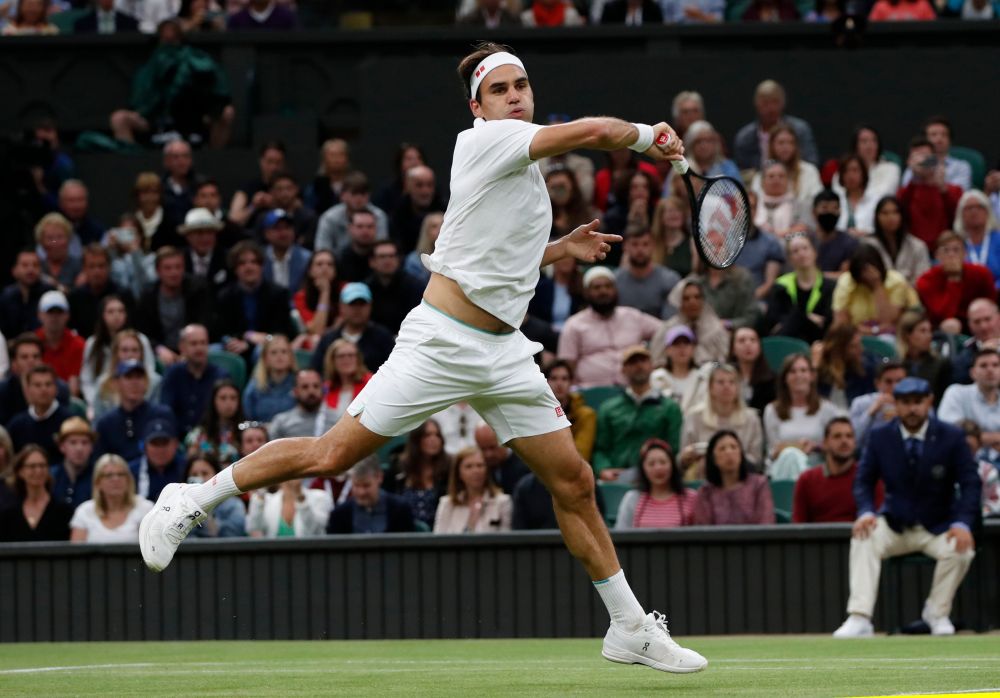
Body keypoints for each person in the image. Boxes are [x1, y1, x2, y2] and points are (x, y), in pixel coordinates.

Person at [139, 42, 708, 673]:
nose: (516, 95)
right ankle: (190, 498)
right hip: (440, 343)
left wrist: (558, 250)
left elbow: (488, 256)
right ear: (477, 107)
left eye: (522, 85)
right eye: (501, 89)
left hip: (504, 353)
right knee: (332, 454)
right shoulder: (486, 141)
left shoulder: (519, 166)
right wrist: (643, 137)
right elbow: (598, 132)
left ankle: (629, 626)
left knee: (574, 481)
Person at [833, 377, 979, 638]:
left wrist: (962, 523)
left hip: (938, 525)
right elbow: (863, 482)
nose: (912, 409)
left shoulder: (952, 436)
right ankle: (860, 616)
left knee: (962, 550)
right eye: (905, 403)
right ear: (895, 405)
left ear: (929, 402)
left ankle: (936, 613)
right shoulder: (880, 437)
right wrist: (866, 512)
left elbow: (970, 484)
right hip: (895, 524)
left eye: (917, 402)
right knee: (863, 538)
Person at [109, 20, 234, 149]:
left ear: (180, 38)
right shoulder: (152, 63)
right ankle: (131, 160)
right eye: (165, 38)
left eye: (173, 38)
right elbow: (143, 95)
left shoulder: (196, 58)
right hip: (155, 118)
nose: (169, 42)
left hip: (193, 117)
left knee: (227, 112)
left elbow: (215, 90)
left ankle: (213, 159)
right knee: (119, 118)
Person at [557, 267, 661, 388]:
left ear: (615, 290)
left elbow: (666, 331)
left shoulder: (633, 316)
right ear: (586, 292)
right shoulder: (574, 325)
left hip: (633, 389)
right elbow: (567, 366)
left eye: (608, 286)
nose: (603, 291)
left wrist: (657, 360)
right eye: (597, 288)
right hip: (590, 392)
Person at [593, 345, 683, 482]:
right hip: (616, 478)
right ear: (623, 369)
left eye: (643, 361)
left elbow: (674, 448)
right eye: (633, 362)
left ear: (652, 366)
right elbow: (600, 448)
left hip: (656, 478)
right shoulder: (609, 408)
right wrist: (603, 469)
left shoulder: (670, 408)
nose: (639, 365)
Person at [764, 354, 846, 480]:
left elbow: (836, 445)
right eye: (793, 371)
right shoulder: (772, 410)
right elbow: (771, 451)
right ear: (785, 378)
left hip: (817, 467)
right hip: (783, 468)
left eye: (803, 370)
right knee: (790, 456)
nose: (799, 376)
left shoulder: (827, 409)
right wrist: (788, 448)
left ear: (812, 376)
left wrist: (816, 446)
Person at [214, 241, 297, 363]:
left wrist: (261, 341)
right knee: (214, 351)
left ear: (261, 266)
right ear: (235, 269)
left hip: (267, 343)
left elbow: (282, 331)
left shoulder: (278, 294)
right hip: (236, 343)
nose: (249, 267)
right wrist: (242, 338)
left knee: (261, 351)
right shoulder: (225, 296)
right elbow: (221, 330)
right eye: (242, 263)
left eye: (254, 262)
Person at [680, 364, 764, 478]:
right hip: (702, 472)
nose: (726, 386)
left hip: (741, 474)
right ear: (710, 387)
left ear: (738, 388)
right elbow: (682, 458)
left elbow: (756, 460)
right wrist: (687, 457)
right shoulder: (694, 416)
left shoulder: (751, 418)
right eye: (721, 382)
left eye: (731, 382)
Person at [792, 417, 883, 523]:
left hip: (859, 538)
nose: (844, 441)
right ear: (825, 443)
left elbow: (878, 521)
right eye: (837, 436)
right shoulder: (806, 480)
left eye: (849, 436)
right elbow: (798, 526)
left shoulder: (869, 477)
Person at [135, 247, 214, 365]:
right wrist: (159, 349)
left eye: (178, 267)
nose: (174, 272)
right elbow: (142, 332)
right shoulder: (148, 295)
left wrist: (188, 350)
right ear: (158, 271)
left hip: (193, 346)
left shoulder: (198, 289)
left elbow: (204, 323)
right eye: (168, 268)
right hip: (161, 350)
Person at [94, 359, 175, 462]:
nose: (134, 383)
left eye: (139, 377)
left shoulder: (162, 415)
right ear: (117, 383)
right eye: (129, 377)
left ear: (146, 382)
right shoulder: (106, 423)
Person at [80, 295, 156, 406]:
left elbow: (149, 371)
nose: (116, 316)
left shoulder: (141, 340)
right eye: (110, 312)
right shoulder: (92, 344)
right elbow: (87, 380)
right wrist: (94, 402)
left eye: (120, 311)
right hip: (105, 399)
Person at [916, 231, 995, 333]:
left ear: (965, 253)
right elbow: (942, 315)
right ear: (937, 255)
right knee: (951, 324)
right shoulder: (926, 280)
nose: (951, 255)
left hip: (978, 320)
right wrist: (954, 279)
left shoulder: (981, 273)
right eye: (946, 250)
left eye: (956, 250)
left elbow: (991, 303)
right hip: (943, 329)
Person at [832, 243, 920, 336]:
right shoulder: (845, 283)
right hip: (855, 336)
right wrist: (872, 331)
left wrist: (877, 285)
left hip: (891, 337)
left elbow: (888, 321)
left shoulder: (896, 282)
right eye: (864, 280)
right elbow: (841, 324)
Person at [763, 233, 835, 344]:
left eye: (805, 248)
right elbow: (773, 325)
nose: (801, 254)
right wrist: (807, 317)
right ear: (790, 259)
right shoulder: (780, 286)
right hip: (787, 343)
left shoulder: (830, 286)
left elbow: (828, 324)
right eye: (795, 251)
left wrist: (794, 318)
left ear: (814, 252)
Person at [309, 283, 395, 376]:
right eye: (352, 304)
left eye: (362, 304)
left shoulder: (383, 337)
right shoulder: (328, 339)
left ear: (370, 306)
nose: (357, 309)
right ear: (341, 306)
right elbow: (316, 372)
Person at [691, 431, 775, 525]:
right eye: (722, 449)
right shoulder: (706, 492)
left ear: (741, 454)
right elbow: (703, 532)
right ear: (713, 458)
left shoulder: (759, 485)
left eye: (734, 447)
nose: (729, 452)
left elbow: (766, 524)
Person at [733, 80, 819, 171]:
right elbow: (743, 172)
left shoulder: (800, 130)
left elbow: (812, 162)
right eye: (765, 103)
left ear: (783, 103)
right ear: (756, 104)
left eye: (775, 102)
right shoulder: (744, 138)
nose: (771, 108)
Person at [158, 324, 228, 435]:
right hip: (176, 439)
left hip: (210, 439)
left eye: (203, 343)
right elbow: (166, 411)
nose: (199, 348)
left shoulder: (220, 376)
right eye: (194, 343)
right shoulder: (173, 374)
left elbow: (226, 415)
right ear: (182, 347)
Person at [897, 137, 962, 249]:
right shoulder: (905, 192)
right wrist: (914, 178)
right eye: (917, 157)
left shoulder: (953, 191)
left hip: (943, 250)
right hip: (913, 250)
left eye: (927, 157)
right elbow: (900, 213)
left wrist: (942, 188)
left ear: (935, 159)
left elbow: (958, 217)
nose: (923, 161)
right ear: (909, 162)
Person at [70, 454, 152, 543]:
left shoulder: (145, 508)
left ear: (128, 480)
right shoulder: (84, 511)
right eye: (109, 475)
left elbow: (154, 549)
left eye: (120, 474)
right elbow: (76, 553)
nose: (116, 479)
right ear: (98, 482)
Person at [616, 439, 697, 528]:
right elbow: (621, 534)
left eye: (663, 462)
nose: (658, 468)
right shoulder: (632, 499)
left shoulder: (691, 497)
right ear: (643, 469)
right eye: (651, 464)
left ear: (672, 465)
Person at [324, 455, 414, 534]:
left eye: (366, 486)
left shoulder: (400, 510)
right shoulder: (339, 515)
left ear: (380, 477)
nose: (361, 492)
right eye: (356, 485)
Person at [0, 445, 72, 542]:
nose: (38, 471)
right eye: (32, 466)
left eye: (42, 466)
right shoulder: (9, 513)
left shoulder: (63, 511)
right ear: (20, 471)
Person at [433, 446, 512, 533]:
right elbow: (438, 541)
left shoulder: (502, 502)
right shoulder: (447, 504)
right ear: (459, 473)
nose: (475, 471)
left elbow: (507, 540)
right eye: (468, 466)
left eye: (480, 465)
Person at [654, 278, 731, 365]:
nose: (693, 302)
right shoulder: (667, 329)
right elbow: (657, 361)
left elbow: (724, 360)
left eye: (697, 297)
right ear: (679, 302)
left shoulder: (716, 328)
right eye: (686, 298)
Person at [391, 419, 451, 528]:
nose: (434, 439)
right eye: (427, 435)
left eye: (437, 435)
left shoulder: (449, 469)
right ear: (416, 439)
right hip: (404, 534)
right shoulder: (399, 469)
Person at [0, 334, 70, 426]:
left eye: (36, 356)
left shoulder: (59, 388)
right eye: (24, 357)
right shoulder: (3, 390)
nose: (31, 361)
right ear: (14, 363)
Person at [751, 124, 823, 214]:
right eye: (781, 143)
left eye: (790, 143)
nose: (786, 147)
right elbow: (755, 205)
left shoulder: (810, 171)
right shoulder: (761, 175)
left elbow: (818, 202)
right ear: (771, 146)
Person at [6, 365, 72, 461]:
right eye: (37, 385)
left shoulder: (69, 421)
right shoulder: (17, 425)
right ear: (28, 389)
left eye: (48, 384)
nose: (43, 389)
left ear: (56, 388)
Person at [314, 172, 389, 255]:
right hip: (338, 264)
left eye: (363, 194)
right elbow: (321, 251)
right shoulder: (329, 218)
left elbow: (382, 249)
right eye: (354, 193)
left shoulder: (379, 216)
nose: (359, 198)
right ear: (342, 195)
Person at [69, 245, 133, 340]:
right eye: (92, 266)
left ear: (109, 267)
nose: (97, 271)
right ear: (84, 269)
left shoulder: (123, 295)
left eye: (101, 266)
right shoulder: (75, 297)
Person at [862, 196, 931, 285]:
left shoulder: (917, 246)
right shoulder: (867, 245)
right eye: (885, 213)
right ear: (877, 217)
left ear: (902, 215)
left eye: (895, 212)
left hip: (911, 294)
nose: (890, 217)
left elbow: (923, 278)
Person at [939, 348, 1000, 445]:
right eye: (983, 365)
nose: (990, 370)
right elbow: (947, 431)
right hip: (966, 458)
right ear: (973, 373)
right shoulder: (956, 393)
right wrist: (995, 438)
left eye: (995, 365)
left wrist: (977, 437)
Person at [615, 228, 680, 319]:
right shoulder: (614, 281)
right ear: (625, 246)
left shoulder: (669, 279)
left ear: (653, 246)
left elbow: (671, 321)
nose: (640, 249)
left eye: (645, 244)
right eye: (635, 244)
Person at [366, 240, 424, 335]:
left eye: (391, 256)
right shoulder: (366, 288)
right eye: (382, 257)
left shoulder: (415, 286)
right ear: (372, 262)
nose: (387, 260)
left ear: (398, 260)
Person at [849, 360, 908, 454]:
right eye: (888, 382)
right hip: (868, 457)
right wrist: (870, 412)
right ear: (877, 383)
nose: (895, 386)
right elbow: (853, 441)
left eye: (899, 381)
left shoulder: (917, 404)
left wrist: (903, 415)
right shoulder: (861, 403)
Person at [815, 323, 877, 409]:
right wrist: (814, 367)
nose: (861, 349)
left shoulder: (865, 369)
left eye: (859, 344)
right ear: (838, 349)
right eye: (853, 346)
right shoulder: (821, 371)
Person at [901, 116, 973, 192]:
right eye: (933, 134)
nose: (939, 139)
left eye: (944, 134)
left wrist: (937, 183)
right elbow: (906, 192)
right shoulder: (916, 166)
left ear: (950, 140)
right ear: (925, 140)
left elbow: (961, 194)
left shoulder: (961, 166)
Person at [316, 339, 372, 435]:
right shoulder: (327, 387)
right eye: (341, 356)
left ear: (357, 359)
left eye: (351, 355)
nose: (346, 360)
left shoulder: (370, 382)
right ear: (332, 361)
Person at [35, 290, 85, 394]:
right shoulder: (32, 344)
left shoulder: (78, 345)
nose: (54, 317)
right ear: (39, 315)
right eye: (50, 312)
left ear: (67, 315)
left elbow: (74, 388)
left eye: (59, 312)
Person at [184, 379, 245, 466]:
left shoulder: (246, 432)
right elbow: (191, 464)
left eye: (233, 398)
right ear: (213, 401)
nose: (228, 403)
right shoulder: (198, 434)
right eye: (223, 398)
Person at [183, 453, 245, 538]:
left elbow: (233, 536)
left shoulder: (233, 505)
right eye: (194, 475)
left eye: (204, 473)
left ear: (216, 475)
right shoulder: (180, 507)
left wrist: (206, 509)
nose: (199, 479)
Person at [544, 360, 596, 460]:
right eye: (554, 378)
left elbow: (581, 456)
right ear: (545, 382)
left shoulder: (586, 415)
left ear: (571, 383)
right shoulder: (537, 412)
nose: (559, 384)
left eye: (564, 379)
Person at [389, 165, 445, 255]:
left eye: (430, 185)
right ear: (407, 186)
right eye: (419, 185)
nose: (425, 191)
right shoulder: (398, 214)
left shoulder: (445, 210)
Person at [896, 310, 951, 403]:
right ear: (907, 335)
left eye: (930, 331)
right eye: (923, 331)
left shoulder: (941, 364)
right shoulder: (896, 365)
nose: (929, 336)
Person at [248, 479, 331, 537]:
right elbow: (254, 527)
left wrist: (300, 496)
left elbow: (315, 530)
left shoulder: (320, 497)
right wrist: (261, 491)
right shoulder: (267, 500)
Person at [751, 162, 811, 242]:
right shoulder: (753, 204)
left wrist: (781, 234)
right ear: (762, 182)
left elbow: (804, 228)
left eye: (781, 176)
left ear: (788, 180)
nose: (776, 179)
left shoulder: (799, 205)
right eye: (771, 176)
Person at [293, 250, 341, 348]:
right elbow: (317, 330)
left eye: (330, 264)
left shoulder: (345, 290)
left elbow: (345, 324)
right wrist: (325, 292)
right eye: (319, 264)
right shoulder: (301, 297)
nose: (325, 268)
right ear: (310, 270)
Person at [242, 334, 295, 423]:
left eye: (284, 351)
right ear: (265, 358)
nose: (279, 356)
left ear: (291, 357)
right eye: (274, 352)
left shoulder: (299, 383)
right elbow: (247, 418)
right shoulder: (255, 386)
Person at [129, 417, 185, 501]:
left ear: (176, 444)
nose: (160, 450)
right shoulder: (131, 472)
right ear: (144, 446)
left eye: (164, 443)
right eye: (155, 443)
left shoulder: (187, 467)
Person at [0, 249, 52, 340]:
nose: (30, 269)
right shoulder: (6, 297)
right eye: (25, 265)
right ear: (14, 270)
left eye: (35, 265)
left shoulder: (49, 294)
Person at [954, 189, 1000, 289]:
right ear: (961, 214)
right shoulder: (955, 243)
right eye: (969, 208)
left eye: (979, 207)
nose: (974, 211)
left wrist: (991, 291)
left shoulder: (998, 240)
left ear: (988, 212)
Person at [649, 325, 702, 411]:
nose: (682, 348)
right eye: (676, 344)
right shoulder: (656, 377)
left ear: (693, 348)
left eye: (686, 343)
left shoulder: (702, 378)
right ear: (667, 350)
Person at [179, 207, 230, 293]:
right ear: (188, 236)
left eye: (209, 232)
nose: (205, 238)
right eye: (199, 233)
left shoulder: (227, 258)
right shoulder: (179, 259)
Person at [50, 416, 96, 510]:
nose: (79, 449)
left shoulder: (98, 476)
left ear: (91, 447)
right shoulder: (51, 476)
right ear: (62, 447)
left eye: (85, 442)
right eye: (73, 442)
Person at [810, 189, 857, 277]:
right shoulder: (805, 240)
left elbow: (845, 276)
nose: (830, 212)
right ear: (814, 212)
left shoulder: (849, 242)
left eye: (835, 208)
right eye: (824, 208)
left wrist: (815, 276)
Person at [473, 422, 531, 495]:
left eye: (492, 447)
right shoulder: (481, 466)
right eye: (482, 449)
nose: (488, 454)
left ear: (505, 440)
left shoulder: (526, 464)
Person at [261, 209, 311, 292]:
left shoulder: (307, 259)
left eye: (287, 227)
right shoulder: (258, 259)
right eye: (277, 228)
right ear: (267, 233)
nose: (283, 233)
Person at [729, 326, 776, 414]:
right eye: (742, 340)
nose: (748, 344)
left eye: (753, 340)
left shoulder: (773, 380)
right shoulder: (725, 377)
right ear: (733, 349)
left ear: (759, 347)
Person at [268, 369, 324, 439]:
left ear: (322, 389)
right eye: (305, 387)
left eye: (316, 386)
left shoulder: (336, 421)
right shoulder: (281, 423)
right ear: (295, 391)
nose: (311, 391)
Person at [832, 155, 879, 237]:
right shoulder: (834, 200)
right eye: (846, 171)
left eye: (855, 170)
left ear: (863, 173)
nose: (850, 175)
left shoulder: (876, 200)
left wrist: (865, 234)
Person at [650, 196, 695, 277]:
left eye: (678, 210)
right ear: (660, 217)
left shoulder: (692, 243)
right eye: (670, 211)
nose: (675, 214)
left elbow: (696, 274)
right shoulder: (651, 243)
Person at [35, 213, 81, 291]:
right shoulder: (35, 267)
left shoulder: (81, 266)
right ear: (41, 242)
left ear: (69, 239)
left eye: (60, 237)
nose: (55, 243)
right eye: (50, 238)